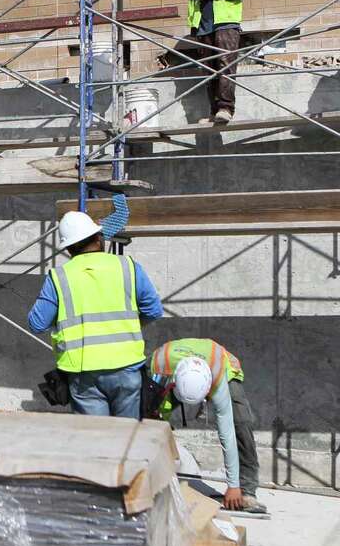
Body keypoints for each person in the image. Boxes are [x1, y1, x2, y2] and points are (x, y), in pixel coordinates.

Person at [28, 211, 163, 419]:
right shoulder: (127, 267)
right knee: (127, 441)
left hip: (83, 374)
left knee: (96, 441)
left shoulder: (59, 277)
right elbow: (153, 310)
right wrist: (127, 327)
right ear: (99, 239)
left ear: (69, 249)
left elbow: (37, 324)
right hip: (126, 367)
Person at [147, 338, 266, 513]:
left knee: (239, 422)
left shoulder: (218, 378)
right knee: (151, 419)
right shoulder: (157, 366)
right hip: (172, 368)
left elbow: (228, 433)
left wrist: (233, 485)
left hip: (220, 366)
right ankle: (149, 480)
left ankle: (246, 491)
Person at [154, 0, 248, 125]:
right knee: (208, 70)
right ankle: (215, 112)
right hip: (203, 26)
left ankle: (226, 108)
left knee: (226, 65)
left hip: (225, 24)